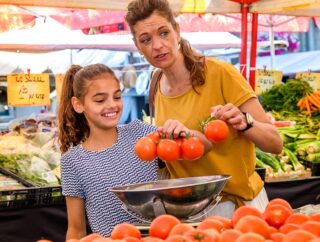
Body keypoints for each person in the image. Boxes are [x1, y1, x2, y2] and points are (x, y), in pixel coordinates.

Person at [125, 0, 283, 218]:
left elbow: (275, 144)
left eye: (164, 33)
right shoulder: (156, 83)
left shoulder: (220, 73)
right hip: (187, 211)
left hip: (238, 208)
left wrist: (245, 122)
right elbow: (190, 148)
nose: (157, 45)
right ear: (137, 46)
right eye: (146, 40)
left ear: (177, 31)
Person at [57, 63, 212, 239]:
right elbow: (76, 230)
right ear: (78, 105)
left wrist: (185, 133)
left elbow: (205, 147)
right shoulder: (72, 161)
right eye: (100, 100)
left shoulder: (140, 133)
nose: (112, 105)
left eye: (117, 97)